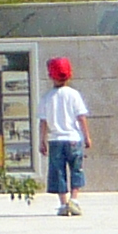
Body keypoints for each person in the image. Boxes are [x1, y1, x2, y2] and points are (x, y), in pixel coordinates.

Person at [40, 55, 90, 217]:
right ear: (70, 75)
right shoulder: (74, 95)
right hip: (74, 139)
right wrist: (87, 136)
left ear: (50, 76)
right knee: (76, 169)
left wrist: (42, 141)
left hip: (55, 140)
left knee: (58, 172)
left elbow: (43, 121)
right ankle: (74, 200)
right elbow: (81, 117)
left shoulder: (47, 97)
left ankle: (63, 203)